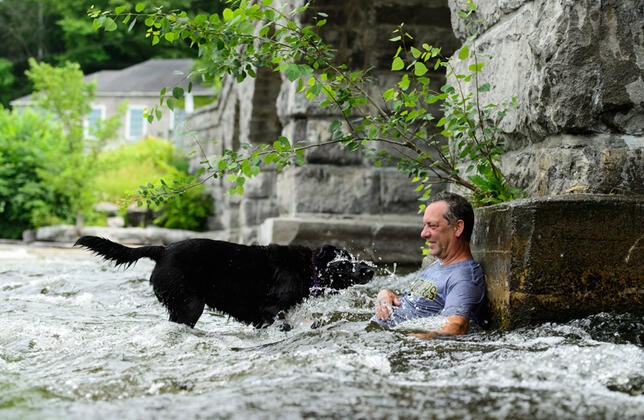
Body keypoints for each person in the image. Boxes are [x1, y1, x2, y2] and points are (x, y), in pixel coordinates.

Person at [372, 192, 485, 339]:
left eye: (432, 226)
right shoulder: (438, 264)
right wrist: (386, 293)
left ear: (458, 228)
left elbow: (457, 326)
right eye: (425, 225)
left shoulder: (463, 278)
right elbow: (416, 305)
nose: (423, 233)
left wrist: (410, 340)